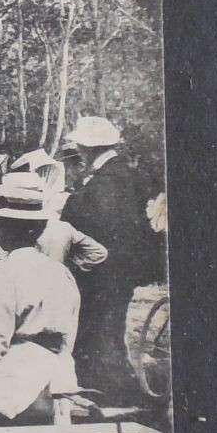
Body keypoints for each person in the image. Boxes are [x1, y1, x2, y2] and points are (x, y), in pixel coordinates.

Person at [0, 181, 81, 421]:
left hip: (19, 380)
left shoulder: (2, 274)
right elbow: (69, 335)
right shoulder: (61, 272)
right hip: (60, 376)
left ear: (5, 231)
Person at [58, 116, 164, 402]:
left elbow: (81, 226)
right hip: (128, 268)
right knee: (112, 326)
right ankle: (119, 387)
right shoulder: (136, 177)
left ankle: (108, 391)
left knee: (95, 331)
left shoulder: (99, 187)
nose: (79, 152)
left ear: (88, 149)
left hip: (100, 271)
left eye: (80, 147)